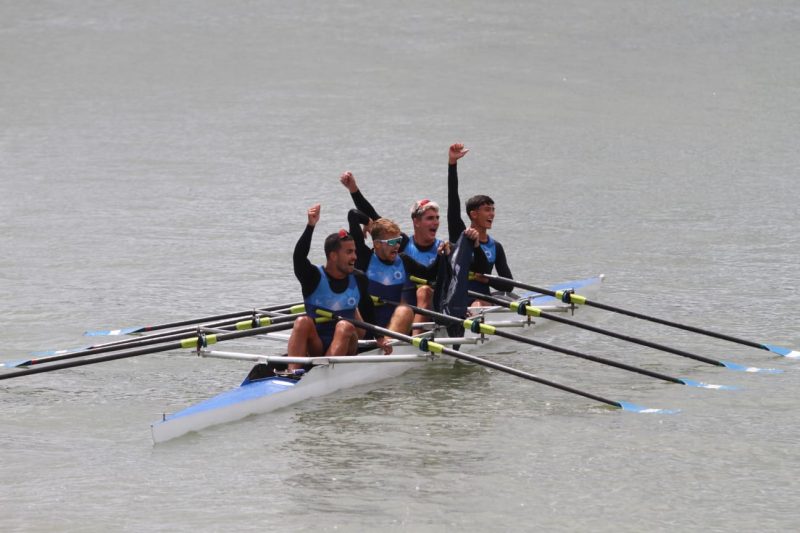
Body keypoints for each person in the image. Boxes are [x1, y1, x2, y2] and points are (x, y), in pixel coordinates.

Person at [340, 171, 483, 327]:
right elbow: (371, 216)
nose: (435, 222)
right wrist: (355, 192)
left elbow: (477, 267)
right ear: (416, 221)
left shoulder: (444, 247)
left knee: (424, 291)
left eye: (437, 218)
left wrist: (466, 247)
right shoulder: (401, 244)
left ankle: (416, 334)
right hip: (394, 308)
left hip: (424, 308)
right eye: (430, 218)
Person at [286, 204, 390, 371]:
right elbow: (299, 257)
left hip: (348, 343)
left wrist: (380, 337)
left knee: (345, 326)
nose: (355, 257)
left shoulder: (358, 278)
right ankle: (292, 372)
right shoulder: (312, 277)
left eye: (355, 252)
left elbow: (367, 308)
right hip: (317, 344)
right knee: (302, 321)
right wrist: (310, 226)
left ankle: (323, 375)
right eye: (349, 252)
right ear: (333, 256)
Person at [447, 143, 515, 305]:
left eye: (493, 209)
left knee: (480, 303)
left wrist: (487, 281)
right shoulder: (460, 235)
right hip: (459, 299)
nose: (492, 213)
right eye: (487, 210)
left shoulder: (495, 247)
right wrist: (452, 164)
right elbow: (453, 199)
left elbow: (509, 284)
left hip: (482, 300)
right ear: (473, 214)